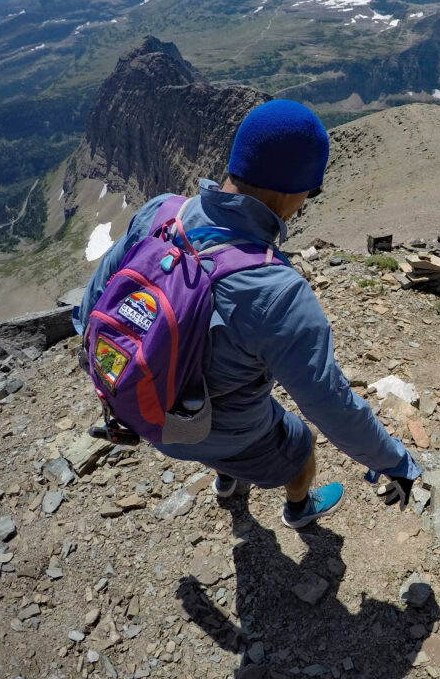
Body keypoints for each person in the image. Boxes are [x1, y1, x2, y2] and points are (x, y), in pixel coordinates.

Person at [73, 99, 420, 528]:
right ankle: (298, 509)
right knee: (300, 441)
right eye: (311, 191)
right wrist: (395, 461)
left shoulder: (161, 211)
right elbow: (331, 405)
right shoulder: (277, 292)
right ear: (291, 192)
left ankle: (227, 479)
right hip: (203, 431)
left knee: (217, 380)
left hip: (138, 406)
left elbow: (89, 308)